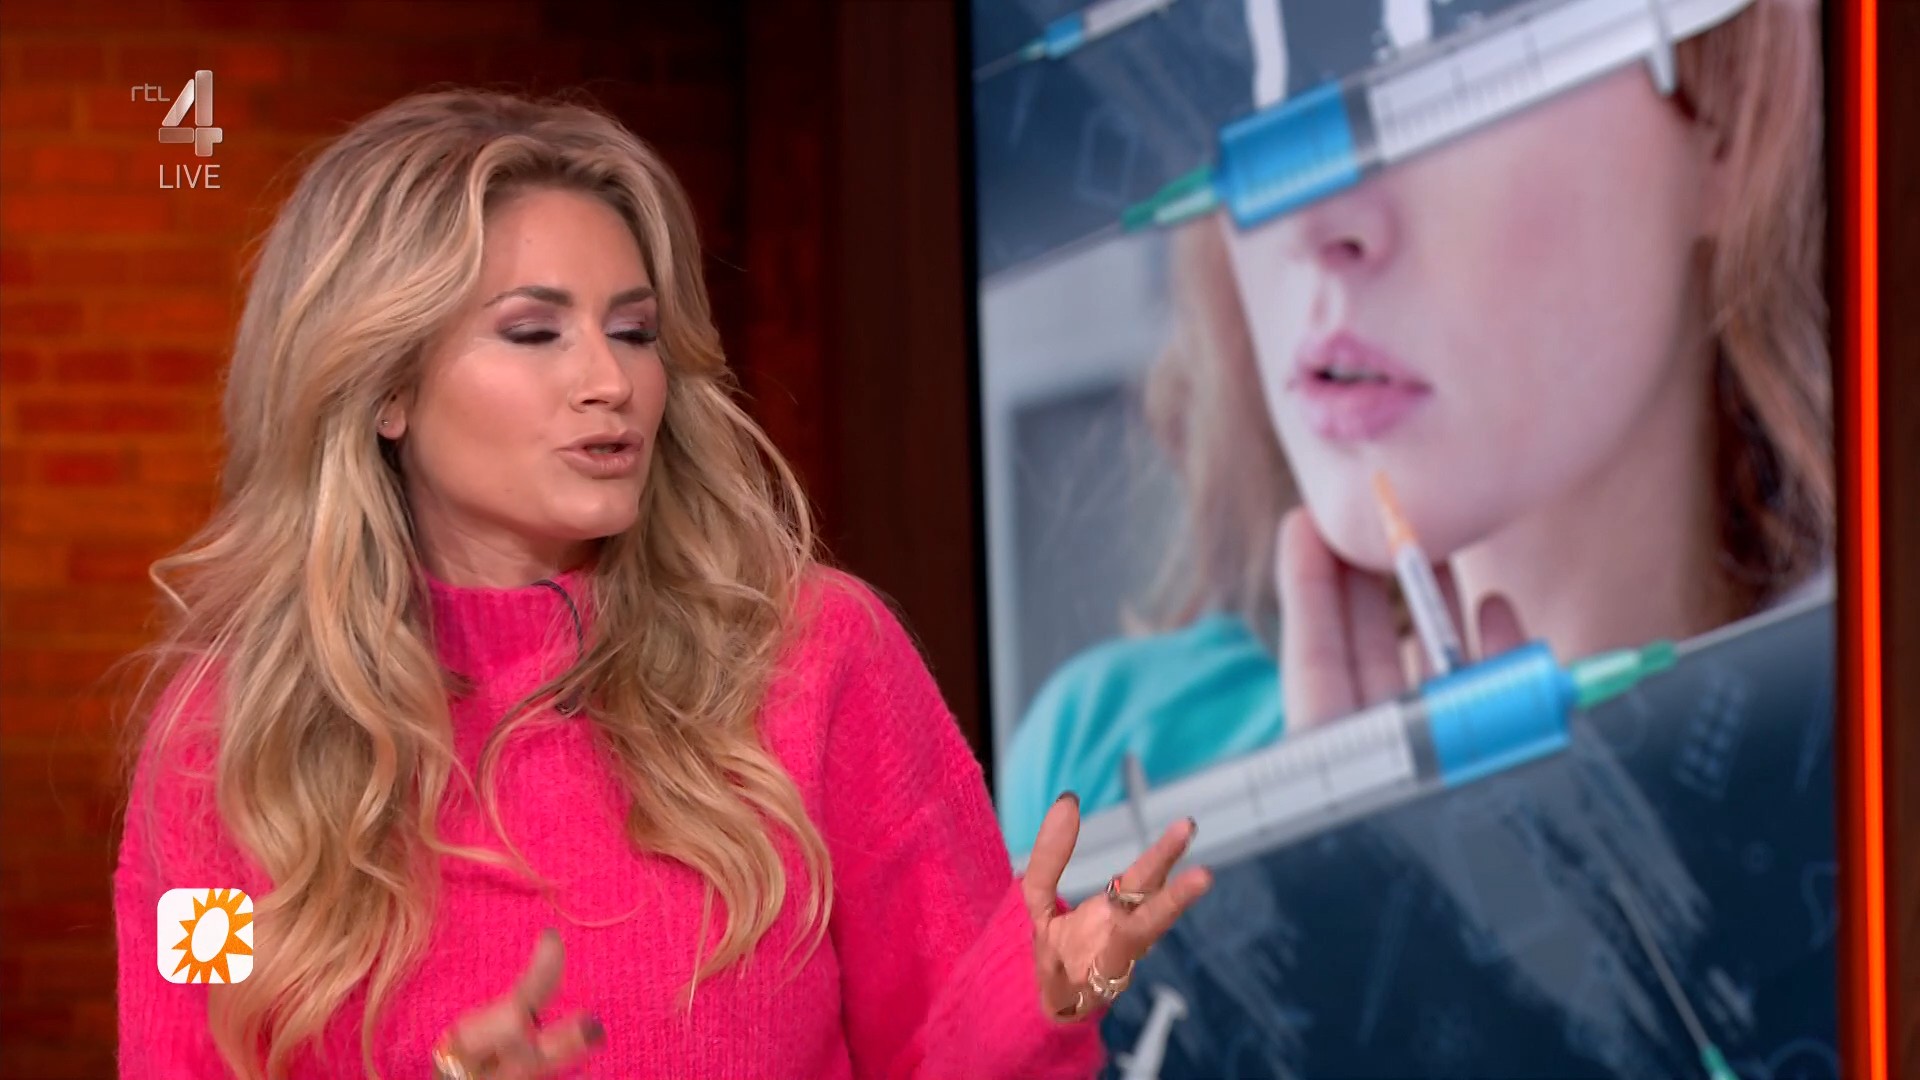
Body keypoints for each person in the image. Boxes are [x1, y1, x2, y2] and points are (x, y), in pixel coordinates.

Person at [113, 89, 1213, 1080]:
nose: (611, 380)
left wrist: (1046, 1005)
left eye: (634, 332)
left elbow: (948, 1042)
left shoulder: (813, 657)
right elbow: (183, 1062)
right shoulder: (227, 747)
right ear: (385, 387)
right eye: (535, 332)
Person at [999, 0, 1831, 853]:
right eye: (1251, 72)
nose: (1309, 221)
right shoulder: (1097, 782)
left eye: (1442, 57)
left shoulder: (1862, 819)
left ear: (1730, 109)